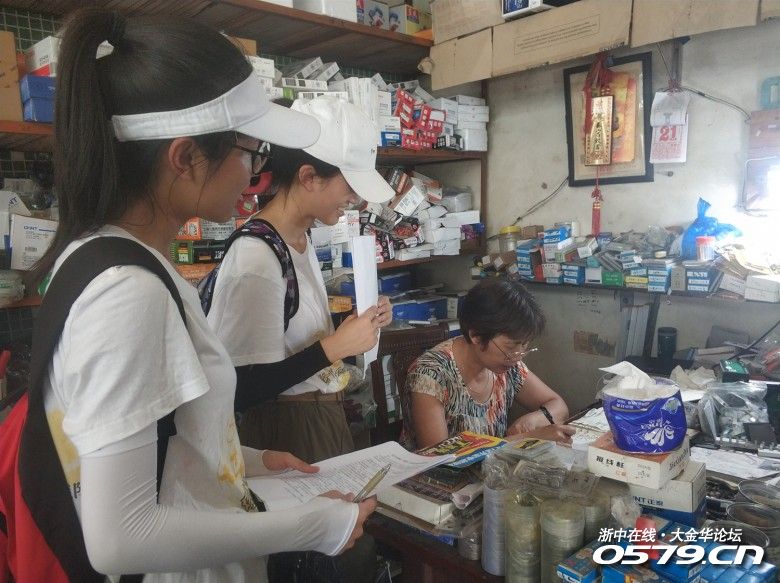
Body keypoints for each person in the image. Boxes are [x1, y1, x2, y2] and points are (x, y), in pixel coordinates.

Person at [34, 8, 375, 582]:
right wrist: (314, 526)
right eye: (250, 152)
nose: (254, 174)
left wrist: (250, 462)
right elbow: (120, 538)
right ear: (186, 158)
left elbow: (158, 441)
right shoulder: (127, 292)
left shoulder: (108, 259)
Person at [206, 96, 395, 582]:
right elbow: (243, 386)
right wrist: (336, 347)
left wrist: (355, 327)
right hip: (284, 430)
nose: (354, 201)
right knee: (314, 562)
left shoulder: (300, 239)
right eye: (348, 188)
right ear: (309, 177)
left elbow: (294, 336)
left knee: (342, 547)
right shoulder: (256, 258)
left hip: (318, 416)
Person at [401, 278, 574, 450]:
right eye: (511, 346)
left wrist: (534, 420)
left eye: (525, 345)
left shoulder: (508, 365)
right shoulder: (431, 375)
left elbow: (559, 406)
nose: (518, 357)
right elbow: (438, 457)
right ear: (476, 335)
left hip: (493, 464)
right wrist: (525, 438)